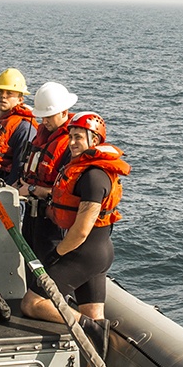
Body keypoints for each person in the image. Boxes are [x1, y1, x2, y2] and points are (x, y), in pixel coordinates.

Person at [20, 112, 130, 339]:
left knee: (32, 303)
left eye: (78, 137)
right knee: (93, 312)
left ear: (95, 141)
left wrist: (57, 256)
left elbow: (81, 230)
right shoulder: (88, 170)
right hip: (99, 251)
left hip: (86, 252)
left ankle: (88, 327)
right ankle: (94, 362)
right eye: (70, 136)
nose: (72, 143)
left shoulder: (94, 177)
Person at [18, 81, 77, 263]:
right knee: (29, 262)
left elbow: (67, 192)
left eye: (48, 117)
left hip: (52, 223)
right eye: (42, 117)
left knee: (48, 265)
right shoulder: (42, 136)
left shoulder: (70, 146)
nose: (44, 121)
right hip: (31, 215)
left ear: (64, 113)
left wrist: (32, 189)